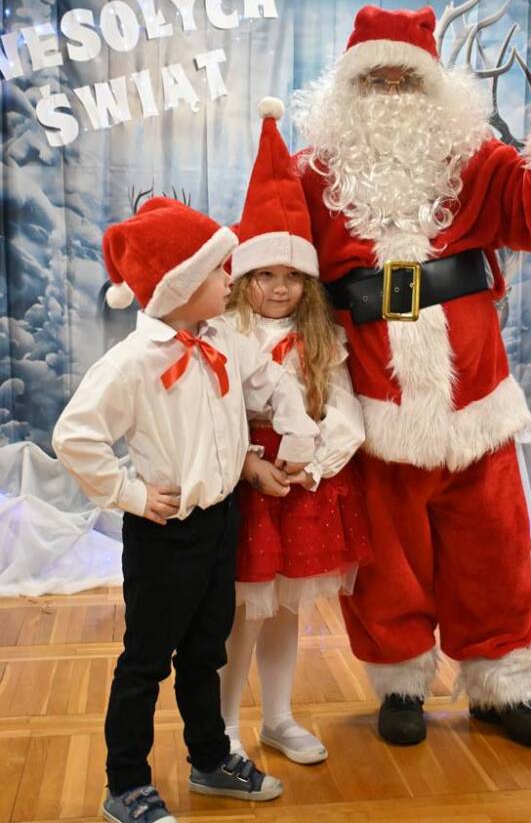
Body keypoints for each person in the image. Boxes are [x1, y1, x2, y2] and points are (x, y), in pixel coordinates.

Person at [290, 4, 531, 748]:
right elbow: (279, 266)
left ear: (434, 86)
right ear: (347, 88)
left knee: (493, 545)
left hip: (476, 395)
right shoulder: (312, 174)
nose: (390, 95)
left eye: (405, 80)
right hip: (373, 395)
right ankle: (401, 684)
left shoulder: (475, 160)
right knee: (386, 556)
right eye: (374, 80)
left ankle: (502, 687)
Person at [52, 195, 320, 823]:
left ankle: (210, 758)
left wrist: (293, 436)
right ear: (180, 284)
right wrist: (132, 495)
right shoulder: (133, 362)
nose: (231, 279)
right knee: (145, 662)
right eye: (219, 270)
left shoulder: (222, 337)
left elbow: (268, 383)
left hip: (221, 523)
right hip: (166, 535)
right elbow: (75, 437)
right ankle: (125, 785)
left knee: (206, 653)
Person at [219, 100, 369, 764]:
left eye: (291, 278)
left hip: (302, 484)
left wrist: (316, 464)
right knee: (239, 614)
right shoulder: (224, 332)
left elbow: (345, 410)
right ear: (243, 277)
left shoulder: (320, 336)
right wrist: (250, 462)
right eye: (265, 276)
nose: (279, 289)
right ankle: (223, 727)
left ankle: (278, 717)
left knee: (285, 609)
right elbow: (210, 412)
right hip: (245, 481)